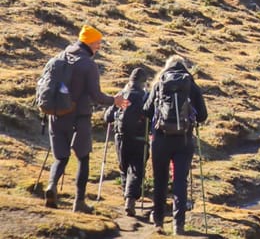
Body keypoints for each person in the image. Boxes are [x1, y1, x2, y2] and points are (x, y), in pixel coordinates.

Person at [43, 25, 129, 213]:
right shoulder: (88, 65)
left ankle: (51, 186)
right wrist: (114, 101)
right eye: (97, 43)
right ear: (89, 42)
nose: (99, 46)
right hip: (79, 118)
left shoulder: (60, 57)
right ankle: (79, 202)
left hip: (56, 115)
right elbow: (96, 95)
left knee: (60, 157)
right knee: (83, 158)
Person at [143, 55, 208, 236]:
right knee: (180, 181)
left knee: (160, 180)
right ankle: (178, 225)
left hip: (160, 139)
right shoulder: (191, 85)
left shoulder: (160, 83)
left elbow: (147, 110)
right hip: (184, 140)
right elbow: (203, 115)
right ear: (185, 67)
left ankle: (158, 222)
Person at [103, 67, 151, 217]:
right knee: (136, 170)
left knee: (124, 167)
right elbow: (151, 115)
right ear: (144, 82)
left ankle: (126, 197)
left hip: (121, 137)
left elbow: (108, 117)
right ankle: (130, 200)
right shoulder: (146, 97)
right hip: (139, 139)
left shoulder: (123, 95)